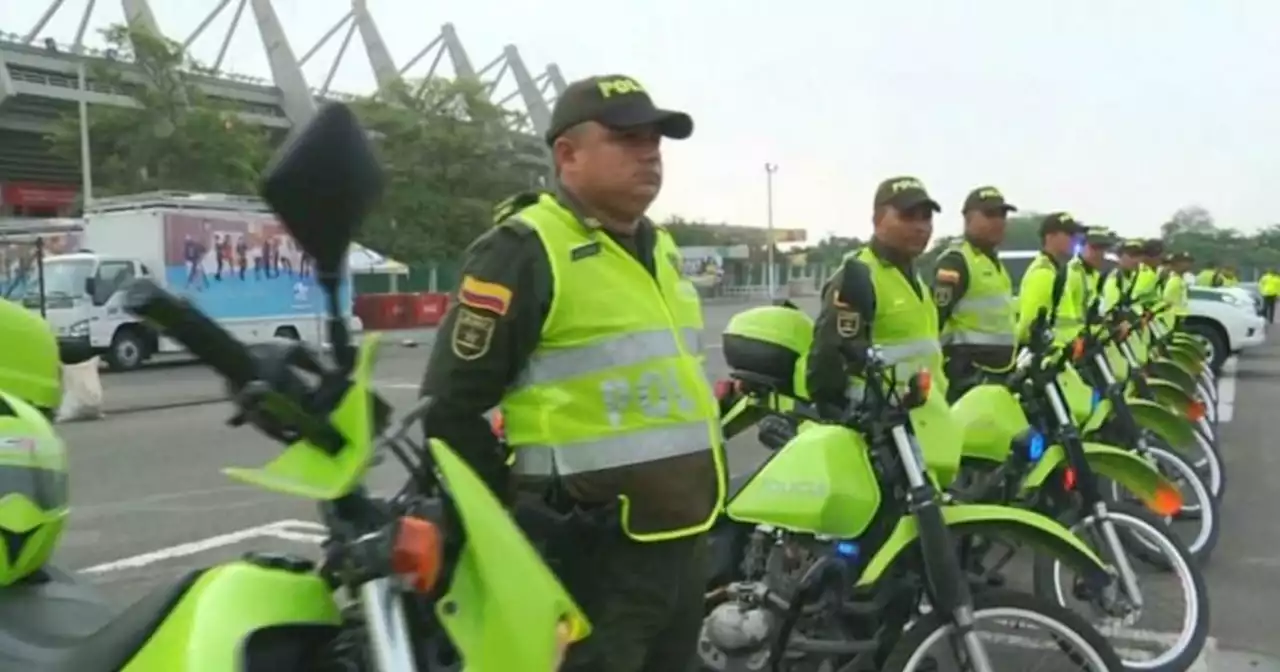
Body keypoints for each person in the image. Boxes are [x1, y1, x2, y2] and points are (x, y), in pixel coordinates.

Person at [418, 74, 718, 672]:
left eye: (656, 140)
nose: (650, 154)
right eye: (628, 138)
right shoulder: (525, 250)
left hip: (681, 541)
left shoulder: (659, 248)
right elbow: (448, 409)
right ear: (567, 155)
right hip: (591, 556)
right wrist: (516, 517)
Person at [807, 176, 947, 406]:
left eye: (926, 217)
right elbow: (828, 361)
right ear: (877, 219)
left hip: (928, 418)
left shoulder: (914, 276)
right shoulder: (858, 276)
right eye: (908, 216)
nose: (921, 227)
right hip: (882, 425)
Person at [932, 186, 1017, 401]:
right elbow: (934, 319)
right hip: (967, 377)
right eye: (989, 215)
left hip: (998, 375)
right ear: (968, 218)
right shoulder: (956, 261)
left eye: (1002, 215)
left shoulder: (994, 262)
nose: (998, 222)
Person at [1016, 212, 1086, 346]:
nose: (1074, 239)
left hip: (1064, 354)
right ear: (1050, 237)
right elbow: (1030, 327)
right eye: (1068, 234)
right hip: (1049, 360)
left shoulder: (1057, 270)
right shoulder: (1043, 272)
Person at [1066, 226, 1117, 320]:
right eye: (1094, 248)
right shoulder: (1072, 273)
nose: (1099, 253)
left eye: (1103, 249)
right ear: (1083, 247)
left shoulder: (1095, 275)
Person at [1102, 239, 1145, 312]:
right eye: (1131, 256)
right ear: (1120, 256)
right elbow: (1109, 311)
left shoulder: (1135, 276)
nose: (1136, 260)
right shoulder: (1113, 281)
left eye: (1138, 255)